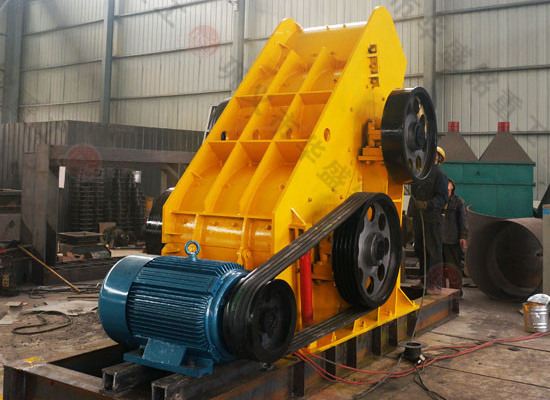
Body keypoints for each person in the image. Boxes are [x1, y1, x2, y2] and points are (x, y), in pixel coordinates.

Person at [407, 146, 449, 295]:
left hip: (432, 219)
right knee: (420, 249)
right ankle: (424, 281)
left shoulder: (440, 176)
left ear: (438, 158)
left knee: (433, 251)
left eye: (433, 154)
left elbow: (443, 198)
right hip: (419, 218)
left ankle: (435, 284)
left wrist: (426, 204)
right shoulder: (419, 174)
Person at [442, 178, 468, 274]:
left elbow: (463, 220)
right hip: (439, 242)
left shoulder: (458, 202)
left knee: (452, 269)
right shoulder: (438, 201)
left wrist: (463, 236)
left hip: (452, 242)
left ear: (452, 187)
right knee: (440, 270)